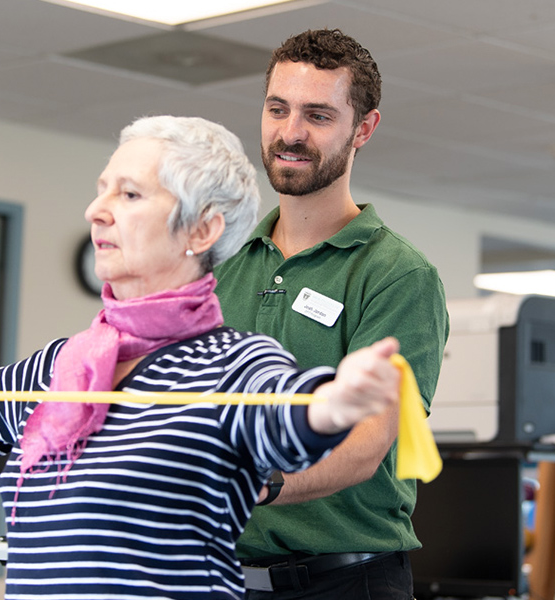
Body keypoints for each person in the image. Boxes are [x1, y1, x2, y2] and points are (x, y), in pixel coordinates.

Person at [0, 115, 406, 600]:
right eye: (101, 189)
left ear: (203, 230)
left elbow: (286, 414)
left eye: (131, 195)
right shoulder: (68, 366)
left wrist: (335, 401)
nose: (97, 210)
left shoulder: (232, 367)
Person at [214, 29, 449, 598]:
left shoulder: (397, 275)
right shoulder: (220, 263)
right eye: (278, 109)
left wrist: (257, 484)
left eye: (318, 115)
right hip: (221, 577)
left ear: (362, 129)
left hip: (345, 581)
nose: (290, 133)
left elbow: (366, 445)